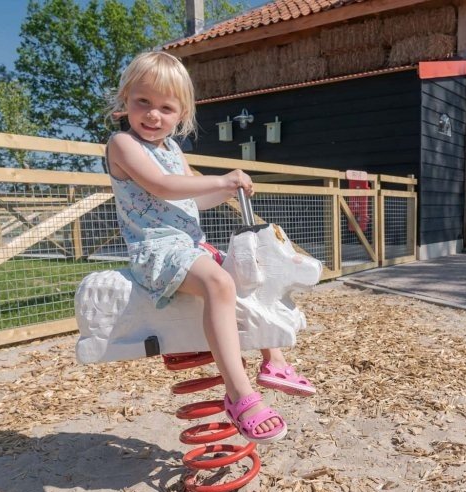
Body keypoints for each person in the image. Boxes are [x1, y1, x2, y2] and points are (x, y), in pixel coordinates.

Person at [105, 51, 314, 444]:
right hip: (157, 251)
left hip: (190, 246)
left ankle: (274, 359)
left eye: (166, 108)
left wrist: (229, 190)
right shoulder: (123, 144)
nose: (153, 115)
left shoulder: (172, 150)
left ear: (181, 114)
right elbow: (162, 186)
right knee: (219, 283)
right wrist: (221, 179)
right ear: (126, 98)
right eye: (143, 102)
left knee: (249, 271)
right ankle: (239, 394)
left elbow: (192, 199)